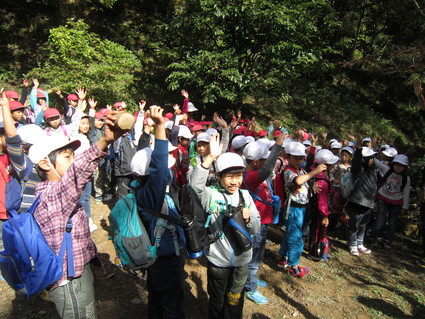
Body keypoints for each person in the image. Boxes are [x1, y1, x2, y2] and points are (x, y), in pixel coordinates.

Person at [28, 110, 127, 318]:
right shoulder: (52, 195)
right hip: (69, 282)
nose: (73, 161)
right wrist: (103, 143)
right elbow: (77, 172)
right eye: (67, 157)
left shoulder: (55, 193)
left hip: (77, 272)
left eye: (73, 156)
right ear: (45, 164)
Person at [190, 133, 260, 319]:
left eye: (238, 176)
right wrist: (211, 157)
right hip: (218, 261)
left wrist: (249, 219)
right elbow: (195, 186)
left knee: (235, 299)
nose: (235, 181)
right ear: (219, 176)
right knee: (217, 299)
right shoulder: (211, 196)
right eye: (229, 177)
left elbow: (255, 229)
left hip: (242, 261)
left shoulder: (245, 197)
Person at [131, 105, 186, 319]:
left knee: (156, 299)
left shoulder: (145, 192)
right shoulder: (151, 194)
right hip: (165, 260)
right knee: (173, 307)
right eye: (166, 171)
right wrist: (160, 126)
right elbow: (160, 164)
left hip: (159, 259)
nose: (169, 172)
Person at [242, 134, 285, 305]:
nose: (268, 163)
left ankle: (251, 278)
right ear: (255, 162)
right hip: (255, 225)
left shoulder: (256, 173)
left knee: (257, 255)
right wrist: (277, 147)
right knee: (252, 258)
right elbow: (267, 170)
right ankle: (250, 288)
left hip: (263, 223)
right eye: (264, 160)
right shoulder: (251, 176)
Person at [277, 142, 326, 277]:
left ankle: (283, 258)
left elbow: (305, 180)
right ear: (288, 157)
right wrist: (315, 172)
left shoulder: (300, 169)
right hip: (293, 208)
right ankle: (294, 265)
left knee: (291, 234)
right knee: (296, 237)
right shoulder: (288, 170)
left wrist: (312, 185)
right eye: (296, 157)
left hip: (301, 207)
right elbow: (297, 181)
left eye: (302, 158)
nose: (300, 160)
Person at [371, 154, 411, 250]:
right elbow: (377, 162)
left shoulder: (406, 179)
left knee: (392, 223)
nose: (398, 167)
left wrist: (404, 207)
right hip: (383, 199)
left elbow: (406, 193)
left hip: (396, 203)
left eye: (401, 166)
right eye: (396, 165)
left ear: (405, 167)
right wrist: (364, 151)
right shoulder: (387, 170)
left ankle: (388, 241)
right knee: (380, 221)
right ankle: (374, 237)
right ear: (392, 164)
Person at [346, 137, 376, 256]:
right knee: (354, 224)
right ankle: (352, 244)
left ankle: (360, 243)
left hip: (368, 203)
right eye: (371, 158)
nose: (373, 160)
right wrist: (358, 151)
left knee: (363, 225)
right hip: (357, 202)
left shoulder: (373, 172)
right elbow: (356, 162)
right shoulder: (358, 170)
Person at [308, 149, 339, 260]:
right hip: (319, 211)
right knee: (317, 231)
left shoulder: (314, 171)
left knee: (315, 229)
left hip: (314, 208)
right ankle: (314, 252)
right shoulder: (321, 181)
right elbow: (322, 201)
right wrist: (325, 216)